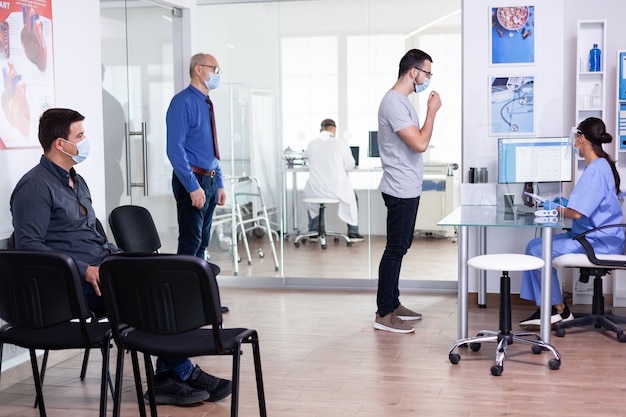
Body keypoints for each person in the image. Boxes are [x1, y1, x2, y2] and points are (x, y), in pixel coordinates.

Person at [10, 108, 232, 406]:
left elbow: (93, 236)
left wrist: (118, 255)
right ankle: (181, 374)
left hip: (105, 270)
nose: (85, 141)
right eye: (80, 136)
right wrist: (82, 269)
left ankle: (168, 377)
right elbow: (28, 246)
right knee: (153, 299)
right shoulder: (35, 188)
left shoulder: (76, 181)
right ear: (60, 144)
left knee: (172, 284)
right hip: (73, 286)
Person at [519, 117, 625, 329]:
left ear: (581, 138)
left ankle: (558, 309)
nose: (573, 142)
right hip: (597, 234)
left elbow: (577, 214)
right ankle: (549, 307)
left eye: (575, 137)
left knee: (537, 252)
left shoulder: (595, 169)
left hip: (597, 241)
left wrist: (556, 208)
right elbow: (598, 203)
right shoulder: (603, 164)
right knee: (533, 246)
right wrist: (566, 204)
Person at [373, 49, 442, 334]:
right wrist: (432, 112)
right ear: (414, 71)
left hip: (407, 186)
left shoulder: (401, 102)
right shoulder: (393, 103)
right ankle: (384, 312)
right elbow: (420, 144)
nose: (428, 79)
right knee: (395, 249)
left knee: (400, 248)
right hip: (399, 188)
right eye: (427, 73)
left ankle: (394, 302)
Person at [166, 52, 226, 258]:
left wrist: (219, 183)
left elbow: (209, 148)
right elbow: (174, 149)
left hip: (208, 180)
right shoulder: (183, 102)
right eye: (214, 69)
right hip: (192, 179)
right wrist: (193, 187)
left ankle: (198, 289)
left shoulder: (206, 103)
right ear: (199, 70)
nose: (218, 75)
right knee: (191, 242)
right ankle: (182, 289)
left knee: (203, 242)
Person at [303, 118, 363, 242]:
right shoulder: (341, 144)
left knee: (313, 200)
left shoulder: (311, 144)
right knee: (353, 196)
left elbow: (305, 160)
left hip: (315, 190)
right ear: (334, 130)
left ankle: (313, 231)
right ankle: (353, 232)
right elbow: (350, 166)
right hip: (336, 189)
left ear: (321, 130)